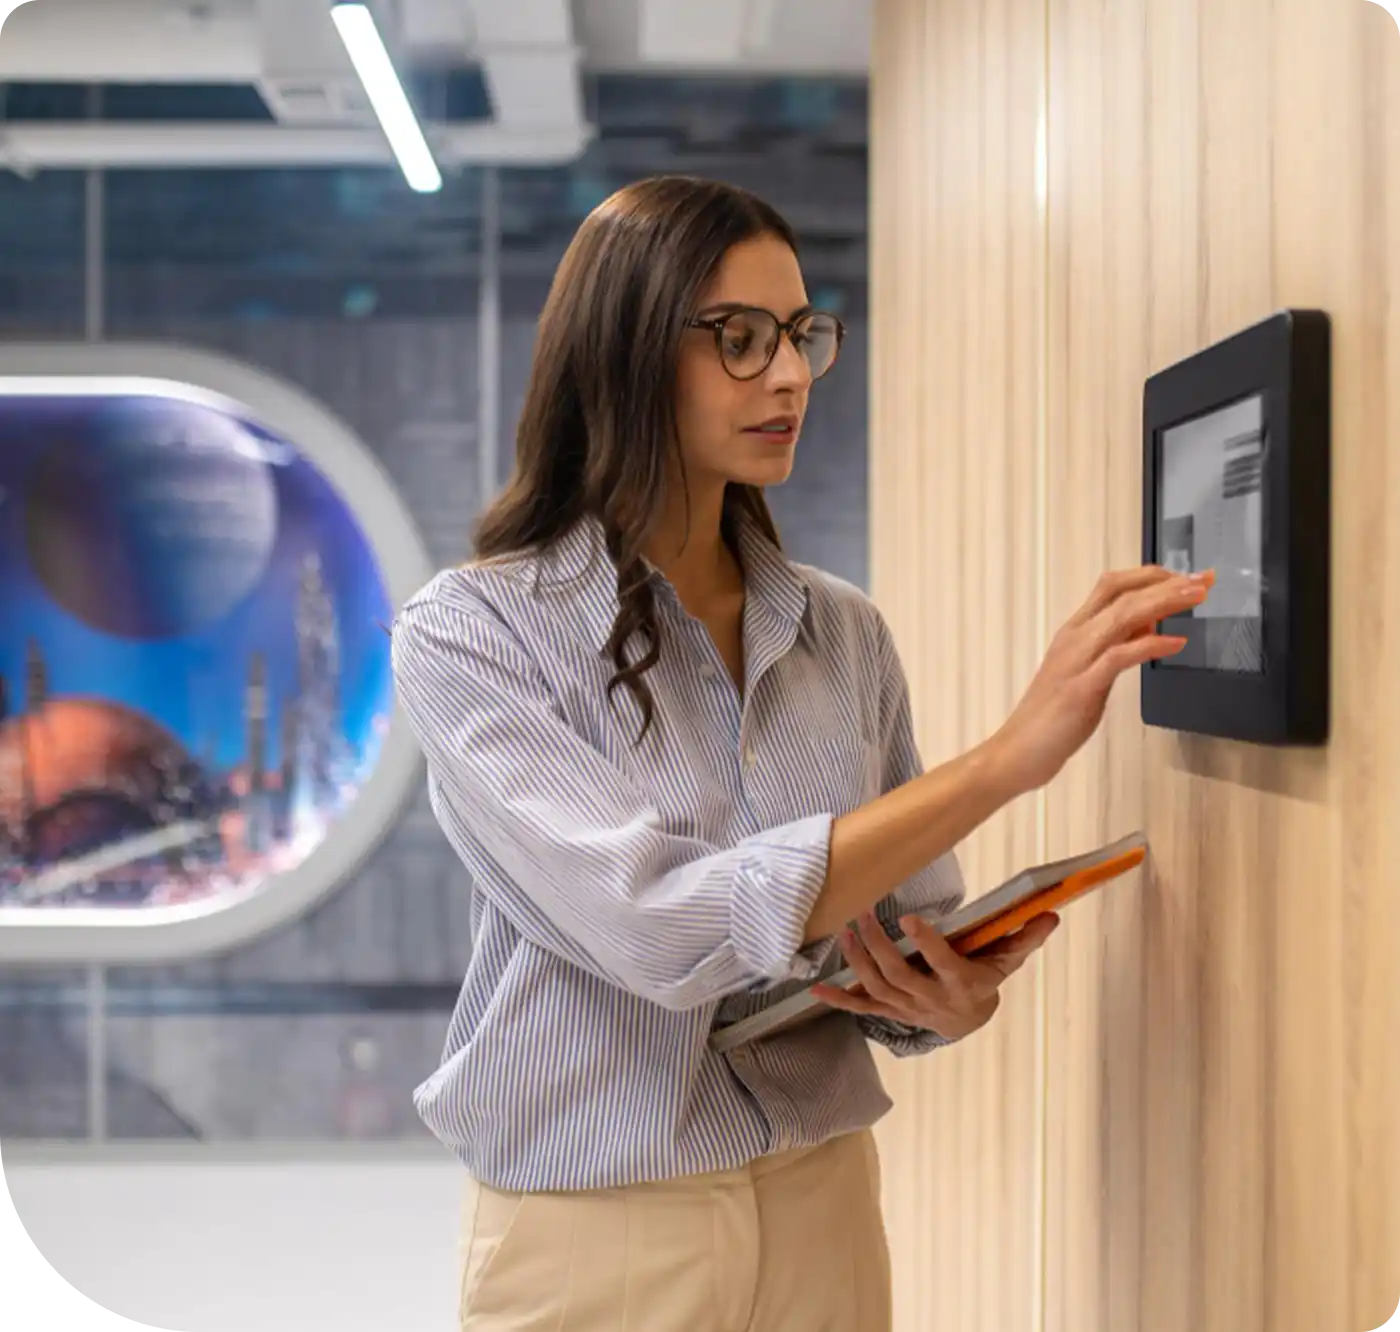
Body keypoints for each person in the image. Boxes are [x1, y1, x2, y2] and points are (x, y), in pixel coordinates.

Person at [389, 174, 1212, 1332]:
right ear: (624, 350)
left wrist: (937, 999)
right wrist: (1004, 761)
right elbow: (655, 927)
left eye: (798, 334)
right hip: (597, 1230)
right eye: (738, 338)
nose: (787, 375)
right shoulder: (474, 631)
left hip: (822, 1202)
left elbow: (896, 924)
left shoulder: (842, 630)